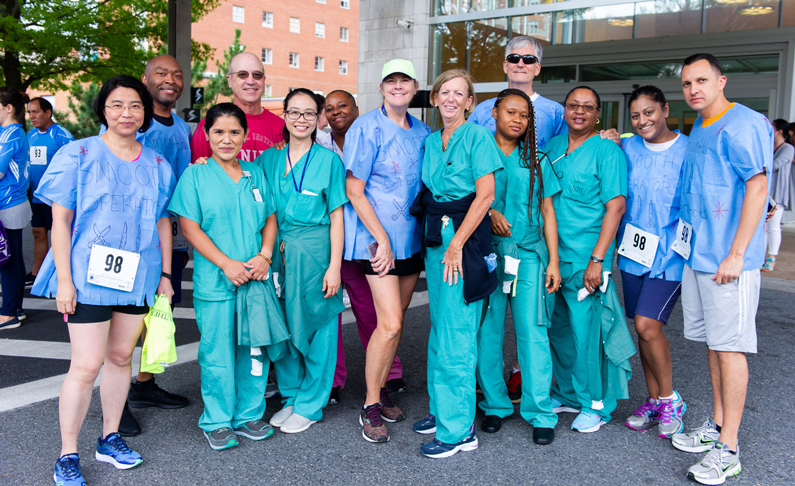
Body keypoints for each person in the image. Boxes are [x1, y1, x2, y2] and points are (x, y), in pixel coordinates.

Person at [31, 75, 175, 485]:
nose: (126, 113)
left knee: (120, 359)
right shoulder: (78, 153)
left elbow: (163, 221)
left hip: (138, 275)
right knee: (86, 364)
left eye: (134, 105)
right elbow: (60, 221)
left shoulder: (158, 164)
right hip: (86, 276)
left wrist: (165, 274)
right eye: (116, 105)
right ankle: (68, 453)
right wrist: (64, 281)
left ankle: (109, 437)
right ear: (103, 110)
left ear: (145, 112)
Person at [672, 53, 771, 486]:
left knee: (730, 347)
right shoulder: (700, 127)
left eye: (701, 80)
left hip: (729, 262)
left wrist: (737, 253)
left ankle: (728, 449)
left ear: (721, 81)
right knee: (714, 344)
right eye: (687, 83)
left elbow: (758, 185)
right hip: (699, 257)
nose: (694, 89)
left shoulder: (744, 124)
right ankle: (715, 426)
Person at [169, 102, 285, 451]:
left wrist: (265, 255)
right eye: (218, 131)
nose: (226, 138)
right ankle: (217, 420)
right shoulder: (196, 175)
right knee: (217, 352)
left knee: (254, 349)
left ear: (245, 136)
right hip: (217, 281)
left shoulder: (255, 173)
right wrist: (225, 264)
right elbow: (189, 228)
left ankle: (249, 414)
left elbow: (270, 219)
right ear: (207, 135)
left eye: (234, 131)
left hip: (255, 278)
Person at [411, 69, 502, 458]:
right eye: (444, 91)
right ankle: (441, 409)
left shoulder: (478, 136)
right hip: (437, 237)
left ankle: (458, 430)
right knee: (440, 327)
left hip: (462, 239)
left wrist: (456, 245)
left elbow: (485, 196)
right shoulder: (432, 141)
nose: (450, 98)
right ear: (434, 98)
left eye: (459, 93)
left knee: (457, 336)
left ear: (470, 102)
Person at [343, 60, 430, 443]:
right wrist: (382, 237)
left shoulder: (424, 131)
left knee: (395, 324)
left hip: (412, 240)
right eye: (391, 81)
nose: (398, 86)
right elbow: (354, 190)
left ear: (414, 87)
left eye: (404, 81)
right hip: (377, 242)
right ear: (381, 87)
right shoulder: (366, 127)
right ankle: (370, 404)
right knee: (390, 323)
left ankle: (380, 389)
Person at [257, 88, 347, 434]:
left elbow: (337, 216)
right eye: (294, 112)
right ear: (284, 115)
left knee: (319, 323)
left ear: (318, 118)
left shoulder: (329, 161)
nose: (301, 120)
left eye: (309, 113)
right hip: (277, 252)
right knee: (283, 323)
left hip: (315, 251)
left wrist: (334, 267)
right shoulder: (269, 159)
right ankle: (293, 394)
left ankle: (312, 403)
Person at [475, 89, 562, 445]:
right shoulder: (478, 154)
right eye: (510, 112)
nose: (517, 120)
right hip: (488, 255)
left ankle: (540, 411)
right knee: (488, 332)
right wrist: (490, 210)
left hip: (528, 255)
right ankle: (495, 405)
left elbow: (547, 211)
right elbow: (468, 198)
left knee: (533, 332)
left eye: (524, 115)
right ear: (494, 113)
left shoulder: (537, 158)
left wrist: (554, 261)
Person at [545, 86, 633, 434]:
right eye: (573, 106)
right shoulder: (550, 148)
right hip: (553, 256)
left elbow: (616, 207)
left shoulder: (607, 152)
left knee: (588, 334)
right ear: (564, 110)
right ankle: (565, 392)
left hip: (587, 259)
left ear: (598, 114)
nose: (579, 112)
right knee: (559, 330)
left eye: (587, 107)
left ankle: (595, 403)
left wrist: (598, 260)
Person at [114, 54, 192, 437]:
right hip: (132, 241)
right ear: (145, 79)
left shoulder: (182, 128)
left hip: (171, 237)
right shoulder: (131, 125)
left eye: (177, 75)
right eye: (162, 73)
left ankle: (143, 386)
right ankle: (116, 401)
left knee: (160, 314)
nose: (171, 80)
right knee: (126, 319)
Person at [317, 90, 408, 406]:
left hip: (368, 236)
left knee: (372, 309)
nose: (336, 112)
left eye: (343, 105)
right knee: (330, 313)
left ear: (356, 108)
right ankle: (332, 379)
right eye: (329, 109)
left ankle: (388, 373)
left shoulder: (373, 134)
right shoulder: (318, 145)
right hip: (334, 239)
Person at [618, 86, 688, 439]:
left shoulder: (688, 149)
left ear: (665, 109)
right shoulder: (628, 148)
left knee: (648, 326)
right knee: (642, 329)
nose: (643, 120)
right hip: (632, 254)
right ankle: (655, 399)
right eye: (636, 115)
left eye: (649, 112)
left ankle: (671, 398)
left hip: (670, 257)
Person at [191, 52, 284, 163]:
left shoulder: (281, 128)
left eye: (257, 75)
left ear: (264, 81)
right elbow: (198, 172)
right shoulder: (211, 124)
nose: (251, 81)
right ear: (229, 81)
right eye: (242, 75)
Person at [26, 97, 74, 287]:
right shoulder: (30, 135)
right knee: (38, 232)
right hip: (35, 195)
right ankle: (36, 274)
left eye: (36, 112)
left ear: (48, 112)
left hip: (56, 197)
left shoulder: (62, 135)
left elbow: (72, 165)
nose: (32, 116)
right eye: (29, 112)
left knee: (59, 234)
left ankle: (60, 274)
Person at [0, 88, 31, 331]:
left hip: (8, 203)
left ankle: (8, 313)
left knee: (7, 260)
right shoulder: (12, 133)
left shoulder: (10, 135)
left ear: (8, 107)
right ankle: (15, 307)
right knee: (14, 258)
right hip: (15, 202)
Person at [761, 119, 793, 272]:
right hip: (767, 192)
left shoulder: (788, 149)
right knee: (764, 226)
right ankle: (762, 257)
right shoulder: (770, 147)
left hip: (778, 193)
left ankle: (771, 258)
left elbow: (773, 166)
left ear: (780, 131)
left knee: (773, 227)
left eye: (772, 128)